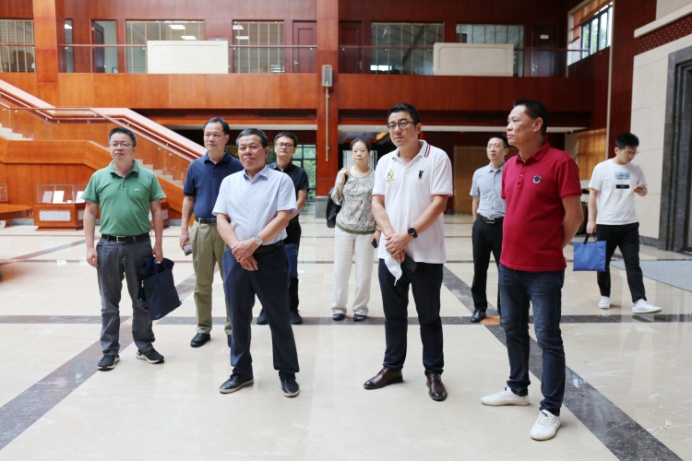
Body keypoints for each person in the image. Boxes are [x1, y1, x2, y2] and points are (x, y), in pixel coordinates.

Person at [480, 100, 583, 441]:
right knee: (512, 328)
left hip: (544, 270)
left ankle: (550, 409)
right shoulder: (510, 165)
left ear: (536, 124)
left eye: (515, 120)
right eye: (508, 121)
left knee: (548, 337)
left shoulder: (561, 162)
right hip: (509, 265)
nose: (508, 127)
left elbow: (574, 215)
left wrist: (553, 245)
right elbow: (515, 211)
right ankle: (517, 388)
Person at [363, 103, 453, 402]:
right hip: (390, 255)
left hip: (426, 255)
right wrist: (393, 239)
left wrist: (408, 235)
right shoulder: (385, 161)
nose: (397, 130)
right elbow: (377, 203)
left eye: (403, 123)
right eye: (392, 125)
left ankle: (434, 372)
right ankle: (392, 367)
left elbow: (439, 203)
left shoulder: (437, 157)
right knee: (393, 316)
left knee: (429, 317)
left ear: (418, 127)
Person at [213, 128, 301, 398]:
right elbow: (221, 218)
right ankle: (241, 371)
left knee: (278, 315)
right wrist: (239, 249)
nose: (247, 152)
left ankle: (287, 372)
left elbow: (284, 217)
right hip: (236, 256)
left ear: (266, 150)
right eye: (242, 148)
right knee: (238, 315)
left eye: (253, 147)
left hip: (271, 256)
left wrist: (255, 243)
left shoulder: (281, 180)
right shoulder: (229, 182)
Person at [83, 127, 166, 371]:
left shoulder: (148, 177)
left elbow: (157, 211)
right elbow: (89, 211)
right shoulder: (99, 177)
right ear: (110, 147)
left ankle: (144, 346)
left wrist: (158, 244)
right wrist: (89, 246)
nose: (119, 147)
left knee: (142, 301)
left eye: (124, 143)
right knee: (109, 303)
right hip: (108, 246)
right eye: (115, 143)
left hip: (139, 245)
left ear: (133, 148)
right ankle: (110, 351)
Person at [180, 117, 243, 348]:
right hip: (202, 228)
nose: (211, 138)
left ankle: (233, 328)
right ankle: (202, 328)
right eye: (207, 134)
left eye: (216, 134)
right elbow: (189, 198)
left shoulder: (237, 166)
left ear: (226, 138)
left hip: (229, 230)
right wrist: (184, 230)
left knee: (232, 282)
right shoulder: (195, 166)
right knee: (202, 283)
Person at [586, 132, 661, 314]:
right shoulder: (602, 168)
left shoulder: (636, 168)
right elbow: (593, 195)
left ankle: (639, 300)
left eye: (634, 153)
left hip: (629, 224)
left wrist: (642, 191)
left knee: (633, 263)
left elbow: (643, 191)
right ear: (616, 150)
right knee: (602, 263)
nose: (631, 156)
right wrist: (591, 220)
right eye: (628, 152)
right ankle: (605, 295)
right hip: (606, 223)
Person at [256, 131, 309, 325]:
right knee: (266, 269)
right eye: (281, 144)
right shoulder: (265, 171)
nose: (284, 147)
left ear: (294, 149)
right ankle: (266, 308)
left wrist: (282, 221)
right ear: (274, 148)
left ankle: (292, 308)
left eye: (288, 145)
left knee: (290, 269)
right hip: (268, 229)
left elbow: (300, 202)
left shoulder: (300, 173)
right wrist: (273, 225)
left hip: (290, 229)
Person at [330, 137, 380, 322]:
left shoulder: (376, 176)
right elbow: (336, 199)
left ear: (369, 154)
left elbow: (381, 203)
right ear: (352, 154)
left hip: (366, 231)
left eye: (362, 150)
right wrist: (339, 182)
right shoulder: (344, 173)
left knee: (364, 273)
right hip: (343, 228)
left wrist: (379, 229)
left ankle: (360, 308)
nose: (359, 153)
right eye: (355, 151)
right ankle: (338, 307)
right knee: (340, 271)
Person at [469, 135, 508, 323]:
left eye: (497, 146)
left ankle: (505, 310)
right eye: (489, 145)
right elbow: (475, 199)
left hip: (503, 226)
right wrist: (476, 223)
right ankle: (479, 308)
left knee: (505, 271)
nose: (492, 149)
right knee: (479, 269)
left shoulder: (511, 172)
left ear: (505, 151)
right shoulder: (479, 173)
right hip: (482, 226)